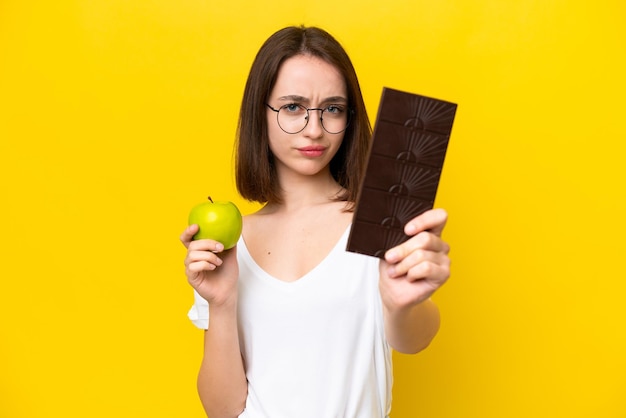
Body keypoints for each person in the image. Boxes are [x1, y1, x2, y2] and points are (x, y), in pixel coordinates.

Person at [180, 25, 451, 418]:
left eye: (333, 109)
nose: (315, 129)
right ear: (261, 113)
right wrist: (221, 303)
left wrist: (403, 305)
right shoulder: (230, 241)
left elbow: (413, 341)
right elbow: (222, 411)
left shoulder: (380, 217)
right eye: (292, 107)